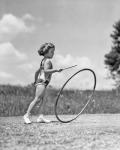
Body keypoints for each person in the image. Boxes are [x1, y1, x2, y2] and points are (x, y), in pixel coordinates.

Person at [23, 42, 63, 124]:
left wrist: (35, 81)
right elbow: (45, 71)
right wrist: (56, 70)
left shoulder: (43, 61)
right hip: (42, 83)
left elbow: (37, 72)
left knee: (43, 99)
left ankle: (41, 116)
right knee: (37, 99)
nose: (53, 53)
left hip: (41, 82)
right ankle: (26, 115)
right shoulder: (48, 61)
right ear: (46, 52)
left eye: (53, 51)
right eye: (52, 51)